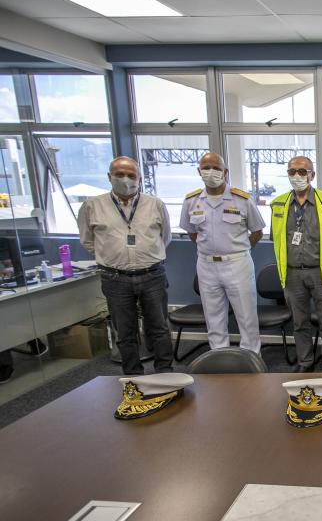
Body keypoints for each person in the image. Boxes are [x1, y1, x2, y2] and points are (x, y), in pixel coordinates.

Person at [77, 156, 173, 375]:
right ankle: (133, 375)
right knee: (124, 330)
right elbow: (88, 241)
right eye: (119, 174)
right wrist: (113, 257)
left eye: (131, 175)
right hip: (115, 278)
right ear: (109, 177)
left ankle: (165, 372)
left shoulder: (154, 204)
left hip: (152, 274)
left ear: (139, 178)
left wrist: (146, 254)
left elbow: (164, 237)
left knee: (159, 327)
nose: (125, 179)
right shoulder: (92, 206)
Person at [179, 152, 265, 353]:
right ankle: (218, 359)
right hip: (207, 265)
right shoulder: (192, 200)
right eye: (206, 167)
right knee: (214, 318)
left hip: (237, 263)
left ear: (225, 172)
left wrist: (238, 250)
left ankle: (251, 360)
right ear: (199, 171)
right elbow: (193, 233)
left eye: (216, 168)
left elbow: (258, 232)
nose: (211, 172)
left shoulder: (241, 199)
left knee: (247, 318)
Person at [270, 156, 322, 371]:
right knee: (299, 323)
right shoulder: (278, 203)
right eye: (292, 172)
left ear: (312, 174)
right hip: (292, 274)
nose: (297, 176)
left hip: (321, 272)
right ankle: (305, 361)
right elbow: (277, 237)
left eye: (302, 171)